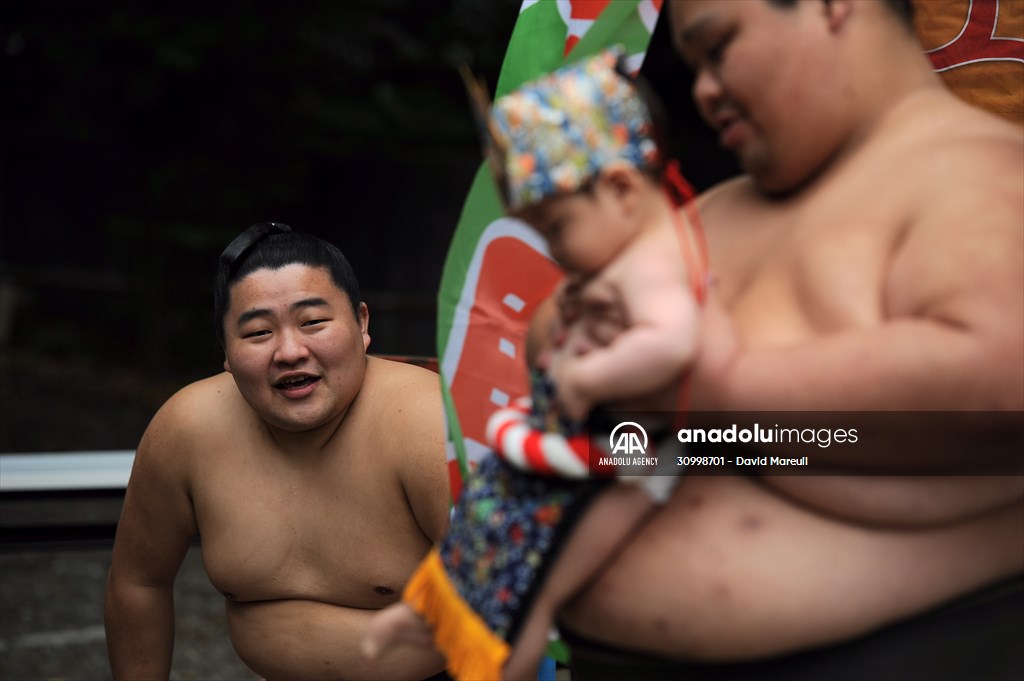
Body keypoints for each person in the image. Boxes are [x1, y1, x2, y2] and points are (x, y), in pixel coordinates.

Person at [551, 1, 1024, 679]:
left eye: (719, 48)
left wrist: (707, 391)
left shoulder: (981, 174)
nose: (704, 89)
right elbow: (561, 338)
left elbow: (997, 382)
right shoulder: (711, 210)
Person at [363, 49, 706, 680]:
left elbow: (674, 341)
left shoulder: (656, 260)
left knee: (543, 564)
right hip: (576, 434)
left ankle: (495, 652)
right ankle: (434, 607)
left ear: (623, 189)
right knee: (491, 507)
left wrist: (590, 376)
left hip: (636, 458)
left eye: (555, 229)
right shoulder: (620, 255)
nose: (553, 249)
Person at [104, 223, 451, 681]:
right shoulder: (188, 428)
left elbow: (513, 597)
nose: (289, 351)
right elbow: (138, 583)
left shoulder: (426, 422)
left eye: (313, 322)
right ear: (225, 352)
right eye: (258, 332)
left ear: (362, 323)